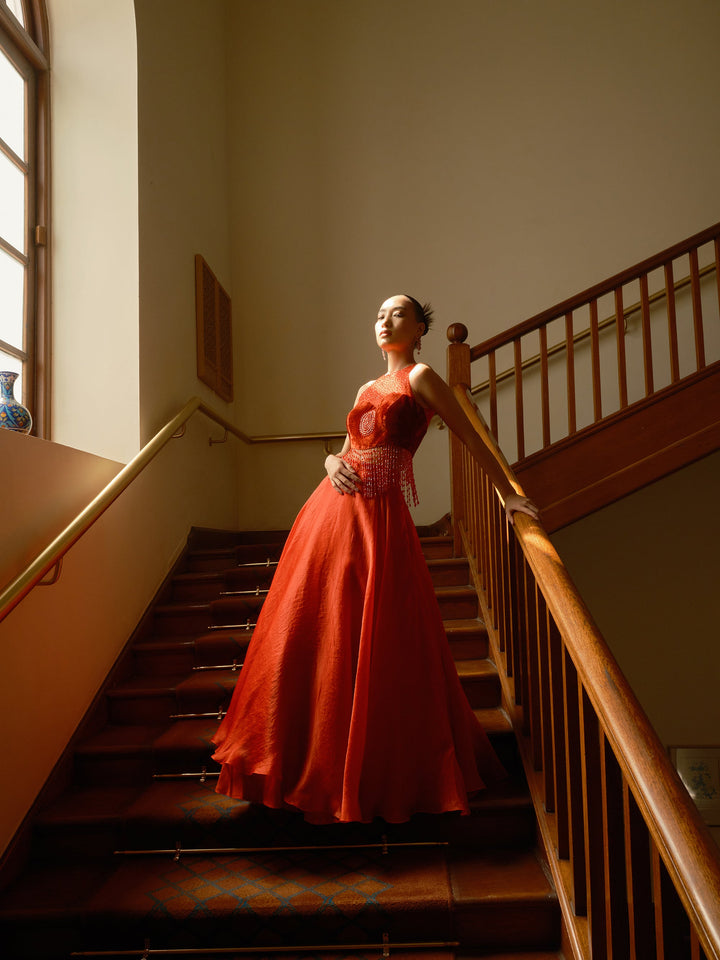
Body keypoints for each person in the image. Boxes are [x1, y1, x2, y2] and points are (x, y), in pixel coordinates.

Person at [211, 295, 538, 825]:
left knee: (372, 633)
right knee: (314, 627)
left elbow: (468, 433)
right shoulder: (367, 388)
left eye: (398, 314)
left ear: (418, 328)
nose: (386, 320)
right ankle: (302, 760)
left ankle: (372, 770)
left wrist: (506, 494)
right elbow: (343, 448)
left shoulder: (423, 377)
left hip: (379, 518)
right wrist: (327, 460)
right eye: (380, 315)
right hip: (332, 512)